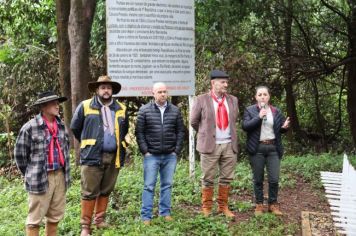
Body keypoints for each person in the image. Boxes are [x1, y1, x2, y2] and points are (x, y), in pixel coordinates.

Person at [70, 75, 129, 236]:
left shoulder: (121, 108)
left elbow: (124, 130)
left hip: (113, 156)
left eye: (109, 88)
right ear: (97, 90)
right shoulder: (85, 106)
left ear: (112, 91)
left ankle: (100, 220)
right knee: (89, 192)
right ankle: (85, 226)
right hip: (91, 156)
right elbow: (75, 128)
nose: (106, 90)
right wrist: (89, 143)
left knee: (106, 190)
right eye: (103, 87)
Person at [14, 91, 70, 236]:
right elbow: (20, 156)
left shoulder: (62, 126)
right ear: (43, 106)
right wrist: (32, 173)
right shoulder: (30, 128)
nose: (57, 106)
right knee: (34, 220)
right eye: (53, 103)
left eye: (58, 102)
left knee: (55, 217)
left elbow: (66, 149)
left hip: (60, 175)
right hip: (40, 178)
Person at [190, 70, 239, 218]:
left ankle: (223, 207)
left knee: (226, 177)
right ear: (213, 83)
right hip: (210, 145)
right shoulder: (201, 99)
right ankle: (207, 207)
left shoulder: (233, 100)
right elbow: (193, 121)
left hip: (229, 145)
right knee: (208, 178)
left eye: (226, 82)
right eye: (223, 82)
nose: (226, 85)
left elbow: (234, 119)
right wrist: (205, 133)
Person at [135, 82, 185, 225]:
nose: (163, 94)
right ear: (153, 94)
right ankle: (146, 216)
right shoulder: (144, 110)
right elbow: (139, 132)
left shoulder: (175, 111)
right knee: (149, 186)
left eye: (164, 91)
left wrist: (176, 151)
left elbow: (181, 131)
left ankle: (165, 213)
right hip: (152, 155)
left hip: (170, 155)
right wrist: (145, 151)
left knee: (167, 185)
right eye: (160, 92)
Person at [241, 85, 290, 216]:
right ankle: (259, 204)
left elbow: (280, 129)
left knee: (274, 179)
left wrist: (284, 127)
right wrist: (258, 117)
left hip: (273, 148)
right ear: (255, 97)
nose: (262, 97)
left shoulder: (276, 111)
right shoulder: (250, 110)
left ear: (269, 96)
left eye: (265, 94)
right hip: (257, 148)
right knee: (258, 179)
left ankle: (273, 204)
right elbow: (245, 126)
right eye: (260, 95)